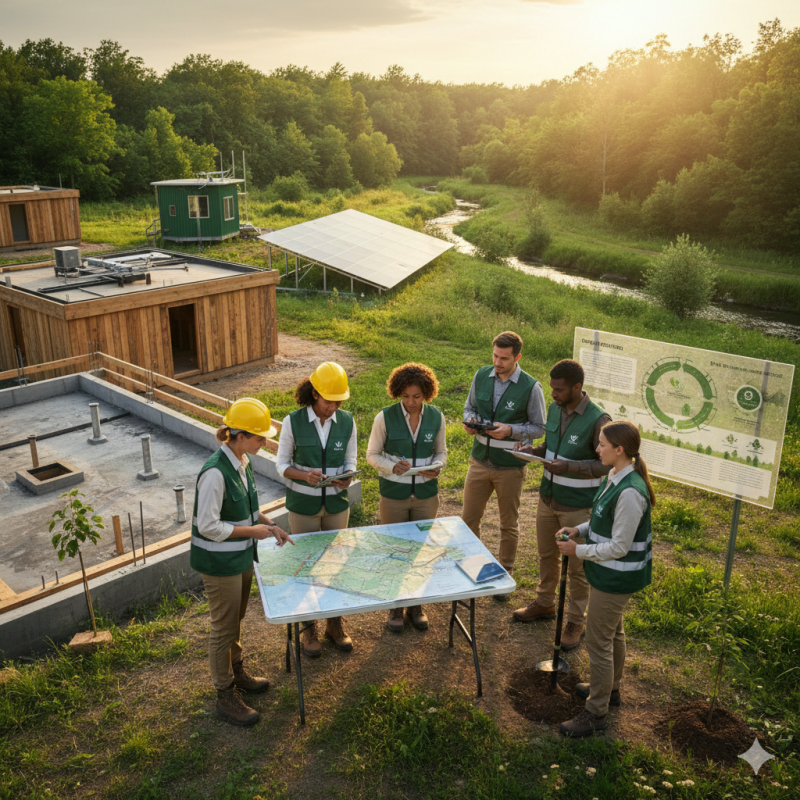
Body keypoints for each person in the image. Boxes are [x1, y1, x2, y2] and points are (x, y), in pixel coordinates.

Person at [191, 397, 294, 727]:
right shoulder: (214, 474)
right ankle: (224, 694)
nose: (264, 442)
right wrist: (256, 531)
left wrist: (271, 525)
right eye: (259, 436)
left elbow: (248, 511)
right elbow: (208, 526)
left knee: (234, 623)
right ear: (238, 435)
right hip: (220, 565)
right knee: (223, 628)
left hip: (240, 559)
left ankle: (237, 675)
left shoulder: (241, 461)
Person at [555, 420, 656, 737]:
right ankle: (611, 690)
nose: (596, 448)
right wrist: (580, 530)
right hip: (608, 574)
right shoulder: (616, 475)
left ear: (619, 450)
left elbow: (619, 546)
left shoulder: (630, 493)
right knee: (614, 634)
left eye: (601, 444)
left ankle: (595, 713)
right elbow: (601, 516)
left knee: (598, 643)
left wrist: (578, 549)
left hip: (615, 579)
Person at [512, 359, 611, 651]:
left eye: (559, 389)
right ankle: (544, 604)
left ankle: (575, 621)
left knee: (578, 569)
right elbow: (553, 448)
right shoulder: (555, 409)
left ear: (577, 388)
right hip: (548, 498)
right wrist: (535, 451)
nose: (553, 394)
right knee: (546, 555)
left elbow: (605, 464)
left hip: (578, 507)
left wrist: (569, 467)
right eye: (552, 388)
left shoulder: (598, 420)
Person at [276, 361, 358, 658]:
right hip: (303, 506)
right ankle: (308, 626)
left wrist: (348, 475)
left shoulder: (347, 421)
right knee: (307, 565)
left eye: (338, 402)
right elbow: (281, 464)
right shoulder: (292, 421)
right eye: (328, 401)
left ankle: (334, 624)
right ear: (314, 394)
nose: (332, 407)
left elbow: (351, 459)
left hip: (336, 504)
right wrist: (304, 475)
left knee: (335, 564)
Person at [462, 331, 546, 592]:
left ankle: (504, 573)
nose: (497, 363)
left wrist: (510, 430)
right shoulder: (481, 375)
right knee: (468, 520)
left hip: (510, 466)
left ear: (517, 357)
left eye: (504, 358)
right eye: (495, 356)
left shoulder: (532, 387)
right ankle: (473, 568)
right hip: (479, 461)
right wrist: (471, 421)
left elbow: (539, 427)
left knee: (508, 524)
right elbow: (469, 407)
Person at [367, 362, 447, 633]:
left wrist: (438, 466)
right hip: (394, 496)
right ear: (397, 393)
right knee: (395, 551)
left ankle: (416, 606)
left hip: (426, 496)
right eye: (405, 396)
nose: (410, 403)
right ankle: (395, 608)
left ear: (427, 393)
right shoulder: (384, 418)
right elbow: (372, 455)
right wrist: (391, 467)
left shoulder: (436, 417)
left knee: (421, 552)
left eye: (416, 396)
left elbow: (442, 452)